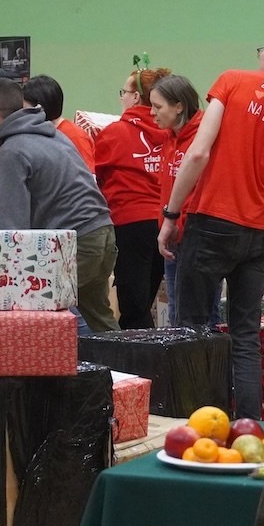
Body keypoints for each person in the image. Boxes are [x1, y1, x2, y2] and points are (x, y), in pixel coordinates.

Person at [158, 28, 264, 420]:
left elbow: (197, 153)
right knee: (245, 338)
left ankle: (197, 426)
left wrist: (170, 214)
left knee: (192, 330)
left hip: (212, 222)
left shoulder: (233, 82)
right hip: (258, 238)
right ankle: (249, 425)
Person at [0, 77, 120, 333]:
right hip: (104, 232)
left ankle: (46, 372)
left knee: (39, 315)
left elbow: (13, 229)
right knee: (100, 319)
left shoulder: (12, 151)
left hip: (76, 242)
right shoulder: (54, 134)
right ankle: (125, 370)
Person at [94, 65, 172, 329]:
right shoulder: (172, 133)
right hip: (165, 223)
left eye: (124, 92)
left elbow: (95, 175)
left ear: (136, 97)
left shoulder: (114, 132)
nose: (122, 98)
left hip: (129, 223)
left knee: (133, 308)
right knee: (145, 301)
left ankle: (136, 365)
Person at [149, 74, 220, 326]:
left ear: (179, 106)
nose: (152, 113)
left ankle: (206, 366)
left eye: (158, 107)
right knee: (178, 315)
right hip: (173, 236)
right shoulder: (170, 137)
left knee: (200, 318)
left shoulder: (203, 136)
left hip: (196, 237)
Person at [21, 74, 95, 171]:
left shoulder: (74, 136)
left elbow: (88, 178)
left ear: (40, 108)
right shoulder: (41, 134)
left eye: (26, 109)